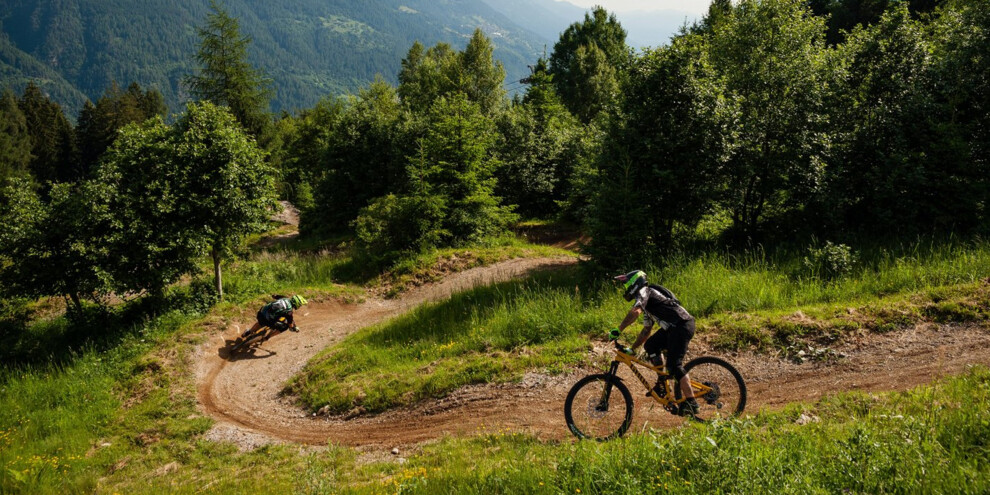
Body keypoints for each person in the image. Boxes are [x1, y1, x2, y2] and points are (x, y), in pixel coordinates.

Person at [611, 270, 699, 416]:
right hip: (673, 328)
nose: (626, 288)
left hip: (681, 325)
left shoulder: (645, 291)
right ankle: (662, 383)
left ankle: (692, 402)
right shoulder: (647, 304)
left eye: (626, 284)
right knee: (651, 345)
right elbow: (646, 331)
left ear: (634, 283)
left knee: (674, 366)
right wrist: (632, 349)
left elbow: (635, 311)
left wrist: (619, 329)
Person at [241, 294, 307, 339]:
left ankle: (248, 332)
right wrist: (294, 328)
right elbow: (290, 326)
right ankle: (267, 337)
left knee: (261, 321)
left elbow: (274, 296)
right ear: (296, 303)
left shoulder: (284, 298)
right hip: (268, 321)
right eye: (300, 305)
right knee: (284, 327)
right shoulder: (289, 312)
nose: (300, 306)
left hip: (261, 312)